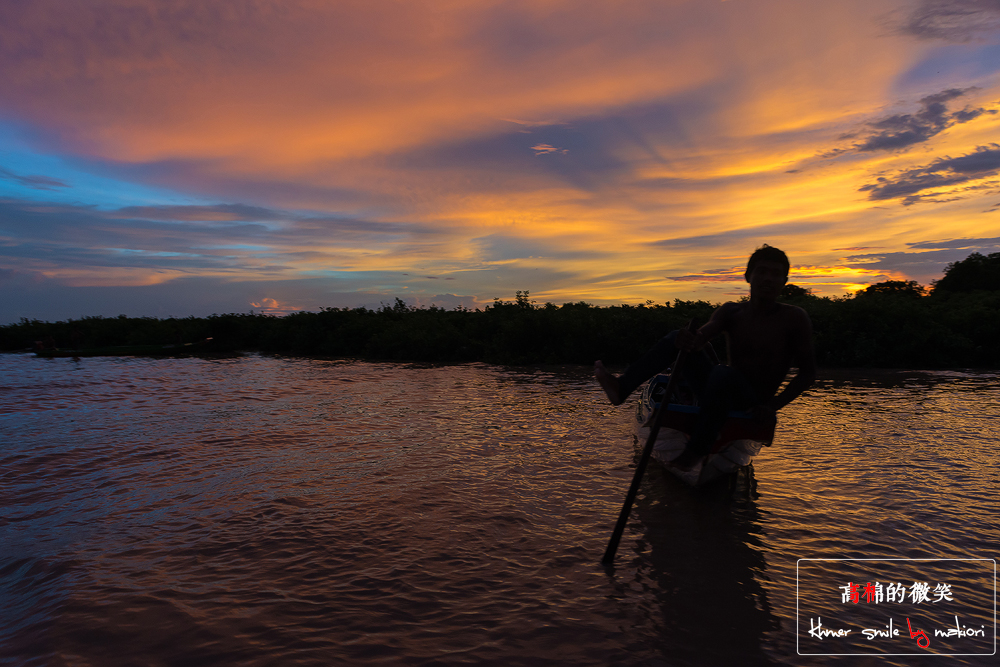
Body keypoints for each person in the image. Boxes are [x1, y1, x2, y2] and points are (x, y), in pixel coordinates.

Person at [595, 244, 817, 470]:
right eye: (761, 271)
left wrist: (772, 407)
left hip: (753, 402)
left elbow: (808, 373)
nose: (768, 278)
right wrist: (689, 340)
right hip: (718, 391)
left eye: (775, 273)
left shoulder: (794, 318)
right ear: (748, 276)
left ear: (784, 281)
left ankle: (696, 452)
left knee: (724, 373)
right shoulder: (732, 311)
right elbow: (703, 336)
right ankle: (622, 387)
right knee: (676, 338)